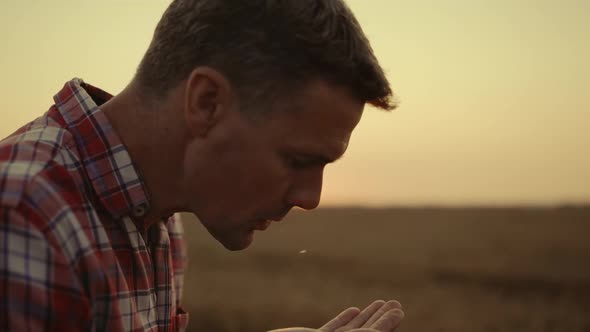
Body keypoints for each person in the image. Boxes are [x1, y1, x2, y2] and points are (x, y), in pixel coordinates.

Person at [0, 0, 404, 331]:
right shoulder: (23, 216)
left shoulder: (159, 215)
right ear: (207, 101)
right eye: (298, 160)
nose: (310, 197)